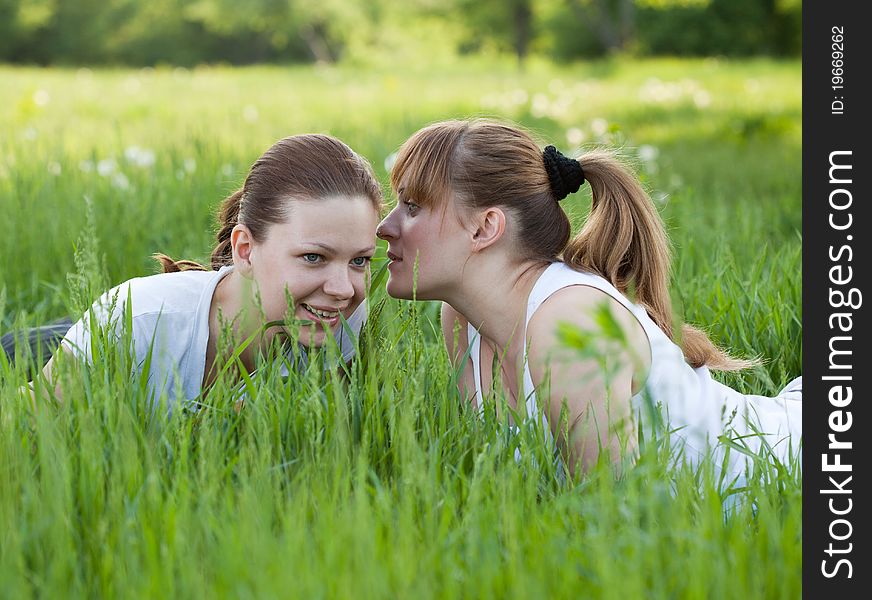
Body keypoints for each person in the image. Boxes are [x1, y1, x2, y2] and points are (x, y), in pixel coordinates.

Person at [376, 118, 801, 485]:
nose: (385, 227)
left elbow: (617, 521)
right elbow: (516, 487)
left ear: (485, 227)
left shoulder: (569, 323)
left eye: (413, 207)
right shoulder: (463, 321)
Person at [28, 133, 383, 409]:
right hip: (44, 348)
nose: (342, 289)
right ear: (245, 250)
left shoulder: (340, 321)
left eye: (359, 261)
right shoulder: (134, 321)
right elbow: (25, 428)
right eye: (313, 257)